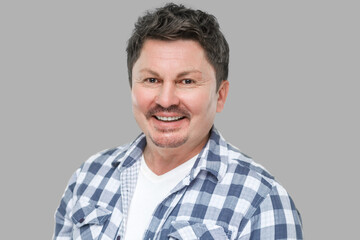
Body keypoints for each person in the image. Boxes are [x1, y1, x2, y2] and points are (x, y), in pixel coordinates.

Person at [54, 3, 303, 240]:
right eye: (152, 80)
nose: (165, 100)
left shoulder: (261, 201)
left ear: (220, 95)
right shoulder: (89, 177)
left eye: (187, 81)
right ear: (132, 87)